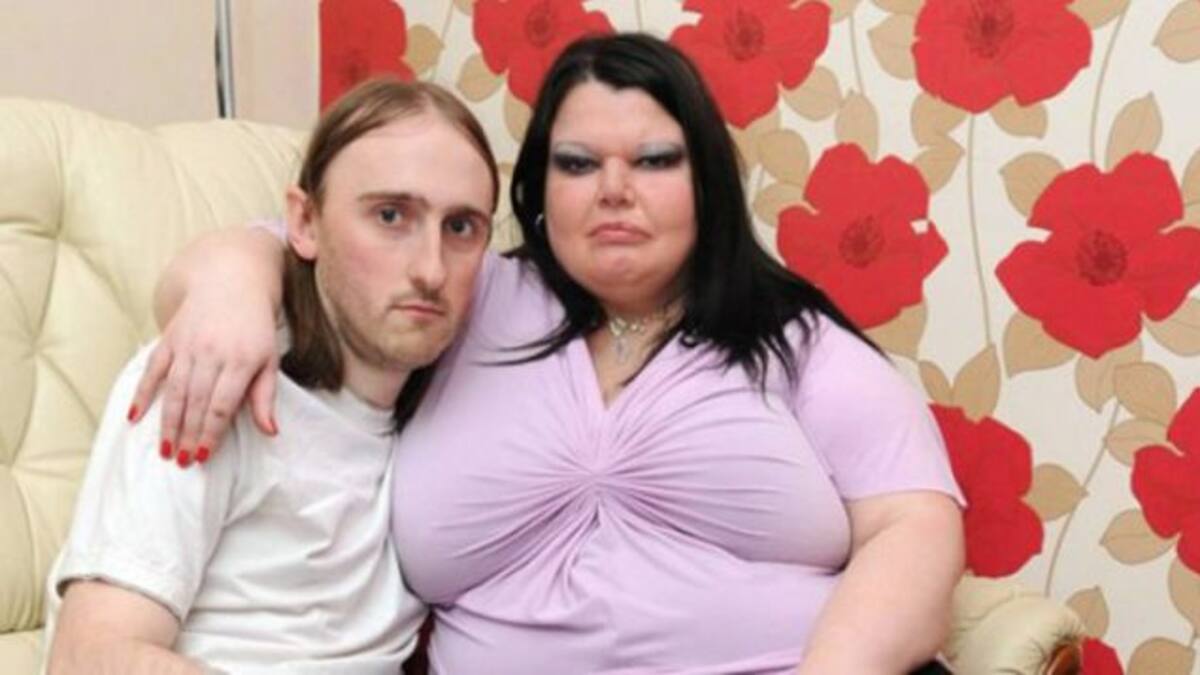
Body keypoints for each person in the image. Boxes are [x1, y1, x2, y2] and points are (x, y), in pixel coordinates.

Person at [133, 34, 965, 674]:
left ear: (705, 186)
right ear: (538, 192)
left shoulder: (794, 340)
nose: (614, 190)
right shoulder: (457, 292)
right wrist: (231, 290)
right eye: (577, 164)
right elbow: (294, 253)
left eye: (654, 160)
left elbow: (916, 527)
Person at [43, 78, 498, 674]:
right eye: (390, 215)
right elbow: (90, 658)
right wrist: (233, 272)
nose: (431, 270)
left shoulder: (460, 403)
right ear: (304, 222)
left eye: (461, 228)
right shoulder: (208, 375)